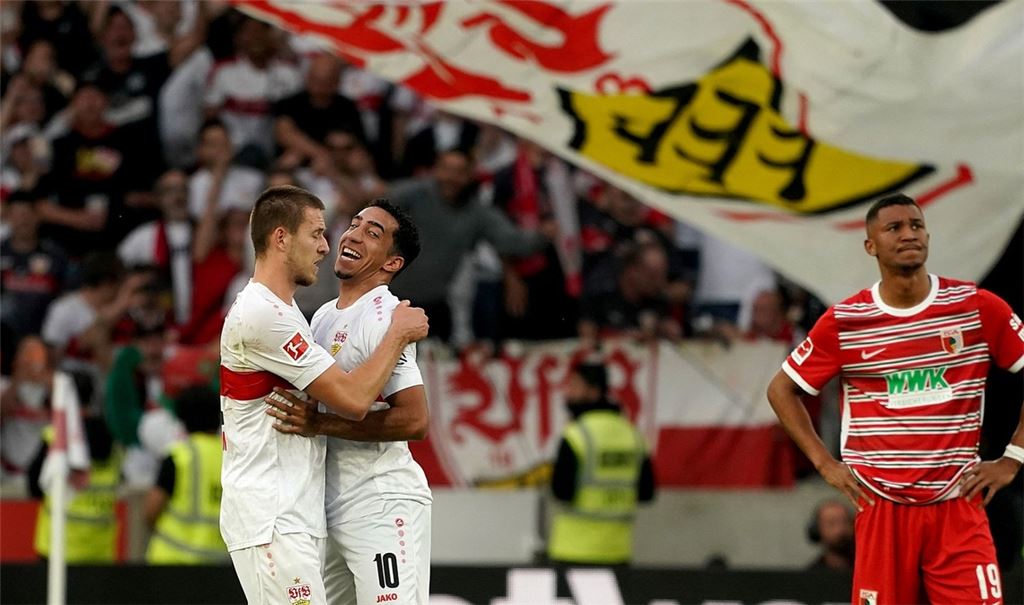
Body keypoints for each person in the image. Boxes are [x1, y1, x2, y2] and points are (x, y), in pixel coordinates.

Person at [766, 193, 1024, 603]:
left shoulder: (975, 308)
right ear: (871, 246)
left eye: (916, 225)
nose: (909, 234)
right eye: (894, 228)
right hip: (882, 507)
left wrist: (1014, 456)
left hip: (958, 505)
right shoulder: (846, 321)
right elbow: (782, 389)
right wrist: (824, 463)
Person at [219, 185, 428, 605]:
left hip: (378, 500)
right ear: (282, 238)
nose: (337, 240)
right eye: (349, 225)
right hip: (292, 510)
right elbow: (347, 399)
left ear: (392, 262)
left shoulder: (384, 313)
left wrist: (321, 422)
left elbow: (416, 420)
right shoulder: (312, 317)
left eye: (372, 232)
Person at [547, 360, 655, 565]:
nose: (568, 392)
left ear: (594, 391)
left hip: (572, 551)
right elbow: (646, 493)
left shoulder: (576, 435)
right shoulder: (633, 435)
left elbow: (561, 492)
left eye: (575, 386)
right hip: (618, 551)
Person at [145, 385, 227, 564]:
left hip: (171, 561)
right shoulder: (231, 457)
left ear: (182, 418)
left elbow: (151, 511)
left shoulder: (178, 456)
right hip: (219, 564)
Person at [805, 499, 854, 571]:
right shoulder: (812, 575)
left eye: (845, 522)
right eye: (831, 523)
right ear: (817, 530)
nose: (841, 529)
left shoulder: (866, 569)